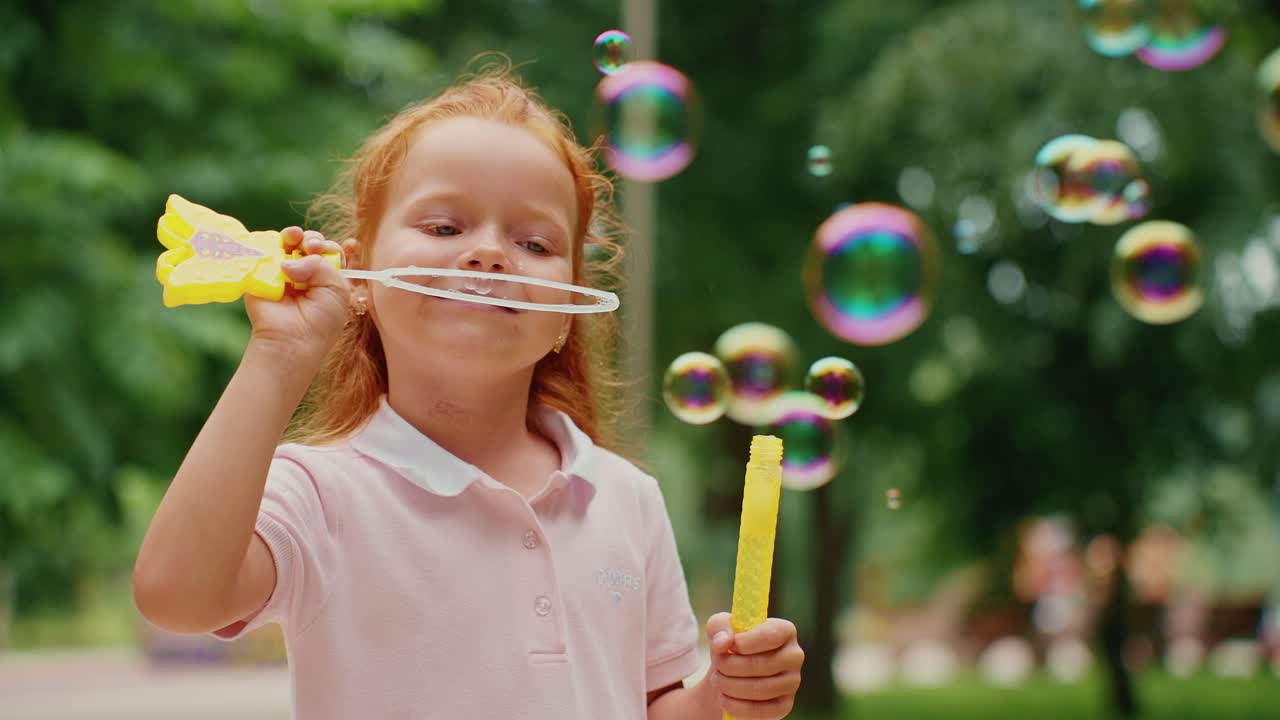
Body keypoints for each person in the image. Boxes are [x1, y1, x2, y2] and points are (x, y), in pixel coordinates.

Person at [132, 59, 804, 720]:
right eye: (445, 228)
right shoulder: (318, 495)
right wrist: (280, 355)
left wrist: (724, 696)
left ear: (570, 309)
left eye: (535, 243)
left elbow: (656, 707)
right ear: (360, 275)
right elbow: (176, 597)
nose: (488, 254)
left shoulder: (626, 499)